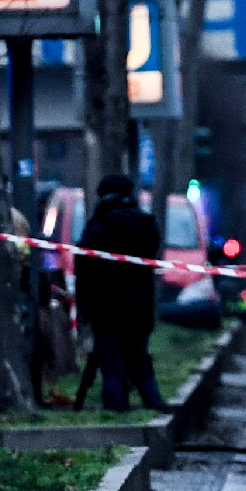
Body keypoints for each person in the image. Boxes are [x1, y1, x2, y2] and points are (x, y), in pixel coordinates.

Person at [75, 175, 166, 413]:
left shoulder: (97, 228)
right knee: (139, 358)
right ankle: (154, 403)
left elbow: (83, 270)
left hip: (105, 307)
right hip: (139, 305)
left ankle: (116, 408)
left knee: (111, 360)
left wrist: (85, 309)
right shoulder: (146, 224)